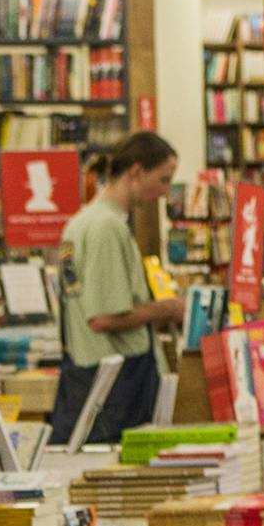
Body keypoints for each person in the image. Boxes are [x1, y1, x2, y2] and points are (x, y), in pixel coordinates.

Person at [48, 132, 182, 446]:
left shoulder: (79, 224)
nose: (164, 192)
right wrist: (169, 308)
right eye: (163, 180)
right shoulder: (106, 228)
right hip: (115, 383)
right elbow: (103, 318)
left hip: (85, 372)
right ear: (136, 172)